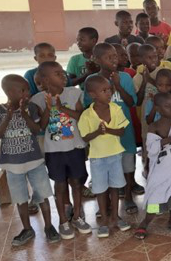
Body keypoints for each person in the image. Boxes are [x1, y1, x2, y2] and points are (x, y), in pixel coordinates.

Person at [0, 74, 60, 245]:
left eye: (27, 89)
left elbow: (37, 129)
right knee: (20, 199)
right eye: (23, 90)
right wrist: (8, 117)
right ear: (10, 92)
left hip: (34, 161)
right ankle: (27, 229)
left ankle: (48, 227)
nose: (27, 93)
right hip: (12, 165)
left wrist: (24, 115)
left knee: (43, 195)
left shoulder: (30, 108)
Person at [30, 61, 91, 239]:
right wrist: (49, 108)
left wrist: (61, 108)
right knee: (60, 185)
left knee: (77, 183)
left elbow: (81, 116)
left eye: (62, 72)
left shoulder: (74, 93)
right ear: (45, 80)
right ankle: (63, 221)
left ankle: (78, 216)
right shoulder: (39, 99)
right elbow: (41, 125)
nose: (63, 75)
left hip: (75, 147)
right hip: (54, 151)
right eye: (57, 73)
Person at [83, 43, 139, 216]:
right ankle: (104, 204)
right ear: (97, 60)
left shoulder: (125, 77)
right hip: (103, 135)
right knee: (104, 171)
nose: (114, 59)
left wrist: (118, 86)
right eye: (109, 57)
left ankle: (128, 197)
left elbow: (131, 103)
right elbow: (88, 106)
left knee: (128, 167)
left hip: (125, 133)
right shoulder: (92, 80)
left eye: (115, 55)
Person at [78, 75, 131, 238]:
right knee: (101, 190)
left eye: (109, 89)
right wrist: (97, 132)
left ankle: (115, 216)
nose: (108, 93)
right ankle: (105, 220)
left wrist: (107, 130)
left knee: (115, 187)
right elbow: (85, 138)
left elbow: (122, 131)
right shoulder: (87, 115)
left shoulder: (115, 109)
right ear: (93, 94)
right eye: (104, 90)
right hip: (97, 159)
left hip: (115, 155)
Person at [134, 93, 171, 239]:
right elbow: (151, 149)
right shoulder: (153, 127)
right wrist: (169, 139)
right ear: (158, 109)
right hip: (159, 172)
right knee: (154, 199)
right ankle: (144, 224)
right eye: (167, 105)